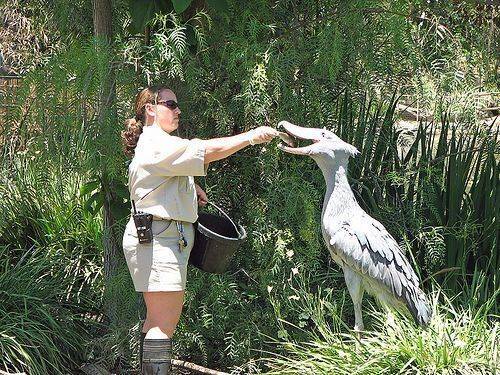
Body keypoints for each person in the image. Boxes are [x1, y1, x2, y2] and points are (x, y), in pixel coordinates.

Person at [121, 85, 278, 375]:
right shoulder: (158, 142)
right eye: (170, 104)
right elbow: (207, 150)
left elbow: (158, 178)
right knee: (162, 325)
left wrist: (190, 187)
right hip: (158, 239)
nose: (177, 110)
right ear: (151, 110)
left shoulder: (156, 143)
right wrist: (251, 137)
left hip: (156, 237)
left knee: (156, 320)